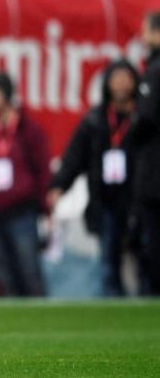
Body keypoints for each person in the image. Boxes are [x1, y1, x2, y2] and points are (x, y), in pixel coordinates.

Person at [48, 60, 141, 296]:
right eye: (116, 78)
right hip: (106, 200)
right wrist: (59, 185)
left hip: (139, 200)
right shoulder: (95, 120)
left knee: (146, 259)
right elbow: (74, 157)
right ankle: (115, 316)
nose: (121, 84)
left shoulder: (144, 118)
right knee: (108, 262)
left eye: (125, 78)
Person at [0, 73, 50, 297]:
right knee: (5, 275)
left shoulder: (28, 130)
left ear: (6, 94)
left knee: (29, 271)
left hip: (22, 212)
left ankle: (40, 323)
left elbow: (42, 169)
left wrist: (46, 209)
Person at [135, 12, 160, 294]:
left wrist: (131, 139)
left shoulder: (154, 70)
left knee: (153, 239)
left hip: (154, 174)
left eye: (146, 31)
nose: (143, 37)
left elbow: (146, 118)